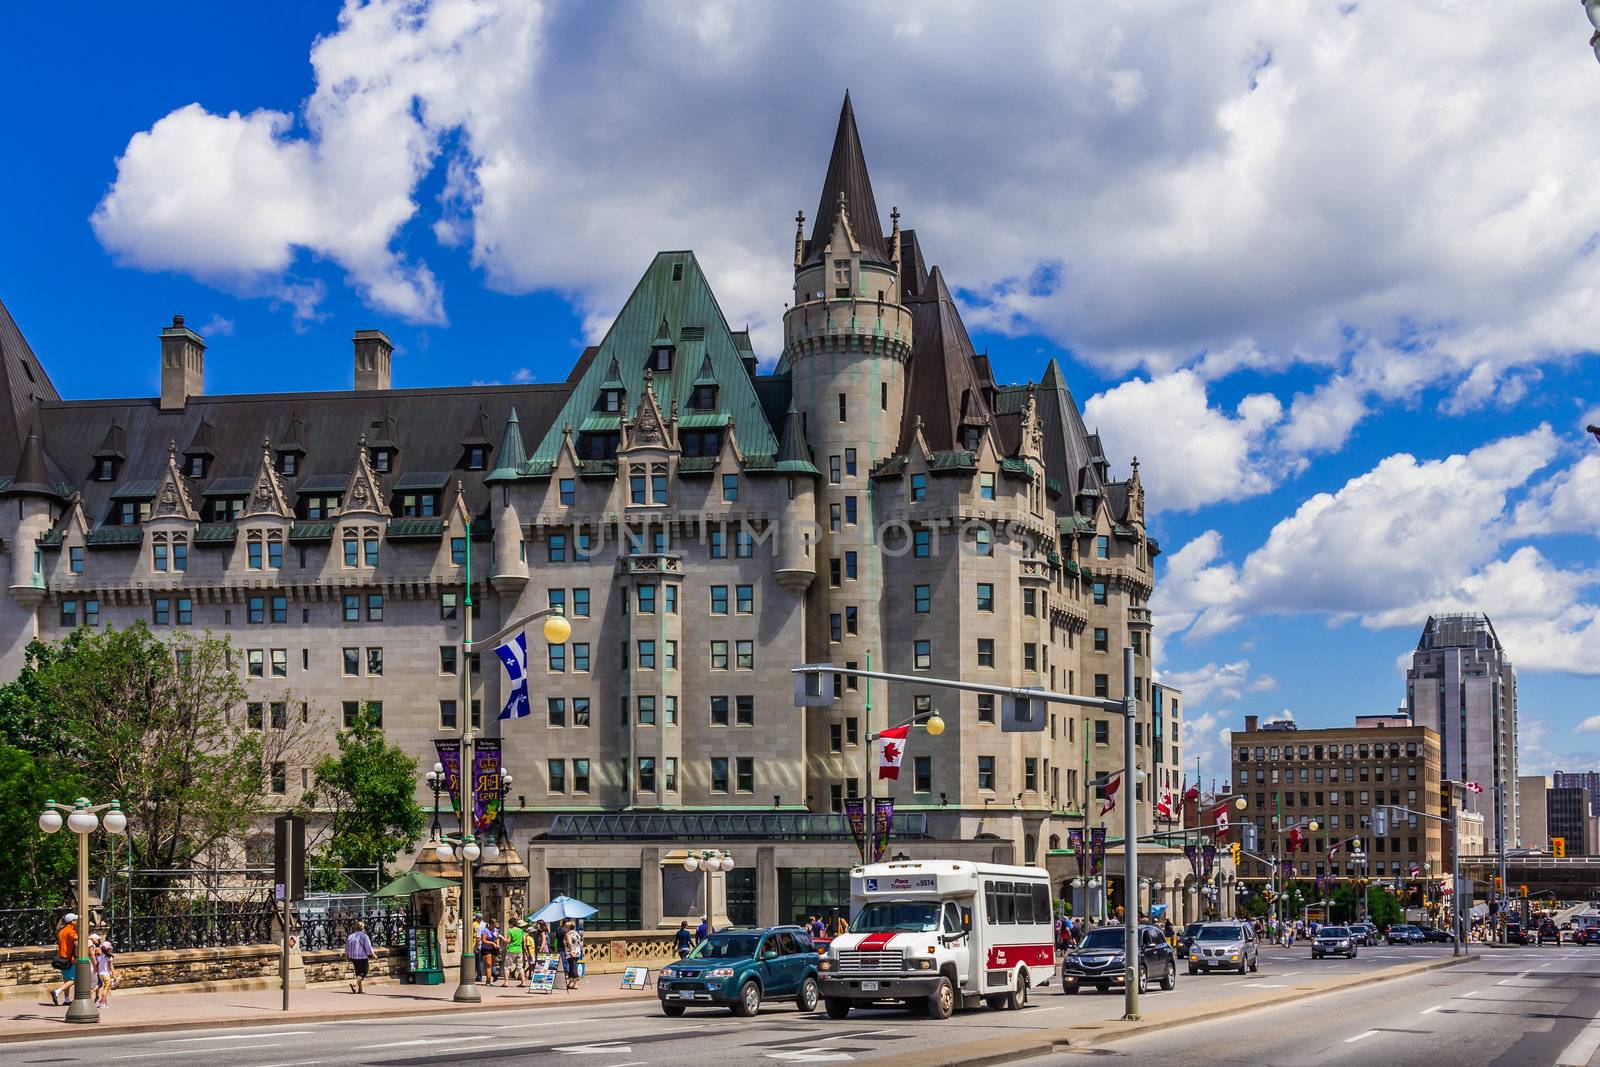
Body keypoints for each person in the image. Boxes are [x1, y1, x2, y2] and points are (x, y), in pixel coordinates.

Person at [49, 913, 78, 1007]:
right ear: (72, 921)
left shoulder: (62, 931)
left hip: (61, 958)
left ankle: (66, 999)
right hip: (69, 958)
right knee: (73, 979)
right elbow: (78, 941)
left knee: (67, 979)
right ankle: (57, 991)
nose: (77, 922)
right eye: (76, 920)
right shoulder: (71, 931)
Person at [346, 920, 374, 994]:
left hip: (354, 957)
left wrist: (347, 956)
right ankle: (354, 983)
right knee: (364, 972)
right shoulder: (364, 936)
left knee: (358, 973)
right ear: (363, 928)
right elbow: (368, 947)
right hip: (362, 957)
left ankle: (360, 989)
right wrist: (373, 955)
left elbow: (347, 948)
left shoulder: (350, 936)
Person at [93, 935, 116, 1007]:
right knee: (106, 989)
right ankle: (103, 1002)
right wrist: (114, 975)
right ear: (108, 949)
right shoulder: (109, 957)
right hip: (106, 974)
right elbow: (111, 966)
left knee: (102, 987)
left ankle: (102, 1001)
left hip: (100, 974)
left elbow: (97, 964)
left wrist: (95, 970)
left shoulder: (99, 956)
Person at [561, 920, 582, 990]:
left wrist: (571, 951)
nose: (565, 928)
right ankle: (570, 983)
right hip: (577, 952)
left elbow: (569, 943)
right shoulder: (577, 933)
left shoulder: (568, 934)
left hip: (571, 953)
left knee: (573, 967)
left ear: (568, 927)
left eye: (566, 927)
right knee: (571, 967)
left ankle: (576, 984)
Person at [479, 919, 500, 986]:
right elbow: (483, 940)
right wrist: (492, 943)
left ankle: (490, 979)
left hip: (493, 949)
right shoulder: (484, 930)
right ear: (490, 924)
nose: (495, 927)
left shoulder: (495, 930)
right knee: (488, 965)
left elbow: (497, 938)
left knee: (492, 964)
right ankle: (488, 981)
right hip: (486, 949)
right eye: (494, 925)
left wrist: (497, 944)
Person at [506, 921, 527, 986]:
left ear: (511, 924)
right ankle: (523, 982)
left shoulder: (510, 931)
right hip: (519, 950)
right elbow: (524, 940)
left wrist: (501, 937)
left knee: (507, 966)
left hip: (511, 950)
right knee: (520, 966)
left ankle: (506, 982)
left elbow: (508, 941)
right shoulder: (521, 931)